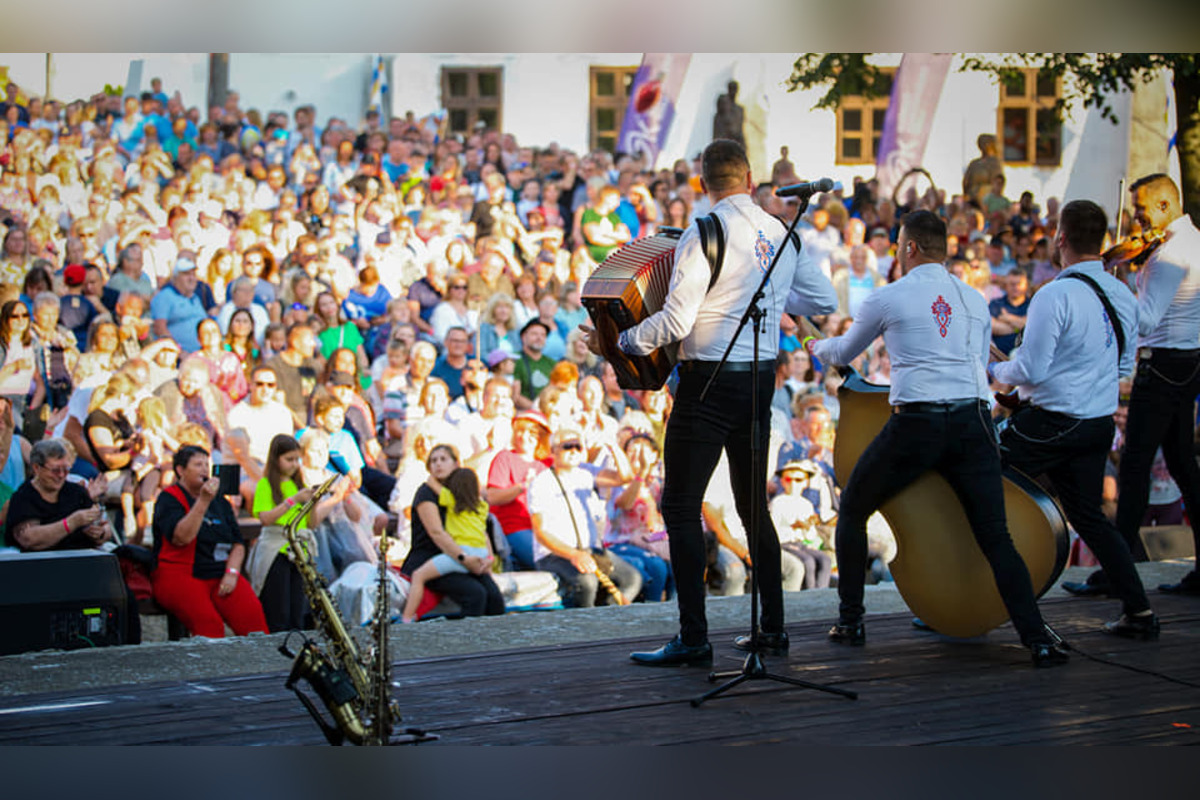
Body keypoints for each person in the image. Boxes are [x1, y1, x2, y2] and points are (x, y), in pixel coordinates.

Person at [582, 139, 837, 666]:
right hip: (761, 381)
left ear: (702, 184)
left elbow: (676, 323)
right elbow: (825, 302)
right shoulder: (782, 233)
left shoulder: (706, 230)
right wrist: (767, 294)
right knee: (751, 507)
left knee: (678, 505)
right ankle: (773, 631)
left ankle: (695, 637)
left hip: (708, 380)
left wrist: (620, 342)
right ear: (750, 180)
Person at [809, 209, 1068, 667]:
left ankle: (850, 621)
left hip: (919, 424)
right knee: (995, 535)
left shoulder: (888, 296)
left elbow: (843, 351)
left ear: (909, 248)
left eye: (898, 246)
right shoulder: (973, 299)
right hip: (973, 422)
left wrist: (815, 348)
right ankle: (1037, 639)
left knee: (852, 507)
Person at [990, 199, 1158, 640]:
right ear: (1100, 240)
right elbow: (1124, 368)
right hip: (1097, 422)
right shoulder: (1123, 293)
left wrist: (995, 371)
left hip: (1054, 421)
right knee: (1090, 517)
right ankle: (1139, 612)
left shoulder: (1054, 294)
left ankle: (983, 596)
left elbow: (1031, 370)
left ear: (1060, 239)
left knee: (976, 466)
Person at [1073, 174, 1200, 598]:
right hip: (1184, 364)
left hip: (1161, 367)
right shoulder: (1192, 241)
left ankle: (1116, 570)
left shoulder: (1168, 256)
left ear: (1165, 206)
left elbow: (1145, 319)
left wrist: (1112, 278)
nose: (1135, 221)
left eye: (1141, 210)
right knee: (1184, 467)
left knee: (1135, 466)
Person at [4, 438, 141, 644]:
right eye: (55, 470)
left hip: (83, 562)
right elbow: (29, 539)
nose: (61, 476)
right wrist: (70, 523)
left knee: (122, 597)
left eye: (65, 470)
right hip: (43, 568)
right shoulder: (24, 497)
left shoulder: (74, 492)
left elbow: (101, 528)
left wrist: (99, 533)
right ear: (36, 468)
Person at [151, 445, 269, 639]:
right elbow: (181, 538)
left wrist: (232, 573)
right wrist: (203, 502)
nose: (205, 469)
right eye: (198, 465)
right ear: (180, 470)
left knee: (253, 622)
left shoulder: (220, 501)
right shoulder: (169, 498)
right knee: (210, 627)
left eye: (207, 464)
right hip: (181, 573)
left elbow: (238, 543)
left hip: (220, 572)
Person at [528, 426, 642, 608]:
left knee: (632, 578)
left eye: (578, 446)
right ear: (554, 451)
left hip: (590, 551)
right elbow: (540, 532)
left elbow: (625, 477)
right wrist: (573, 554)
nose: (574, 450)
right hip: (556, 554)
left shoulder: (587, 473)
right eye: (567, 446)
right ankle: (586, 629)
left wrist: (612, 446)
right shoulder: (542, 483)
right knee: (587, 583)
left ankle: (608, 621)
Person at [249, 433, 351, 632]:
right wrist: (293, 500)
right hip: (276, 550)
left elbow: (310, 524)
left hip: (299, 551)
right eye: (289, 459)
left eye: (297, 459)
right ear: (276, 459)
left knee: (298, 610)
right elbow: (265, 518)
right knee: (279, 611)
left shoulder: (299, 485)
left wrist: (313, 502)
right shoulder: (266, 484)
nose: (294, 464)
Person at [399, 443, 506, 619]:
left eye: (443, 459)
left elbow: (480, 528)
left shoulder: (461, 490)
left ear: (456, 464)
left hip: (464, 555)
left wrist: (489, 557)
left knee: (494, 597)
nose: (438, 464)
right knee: (475, 594)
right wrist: (464, 558)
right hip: (432, 557)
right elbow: (437, 533)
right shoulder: (426, 493)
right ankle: (465, 643)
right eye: (433, 461)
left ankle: (498, 642)